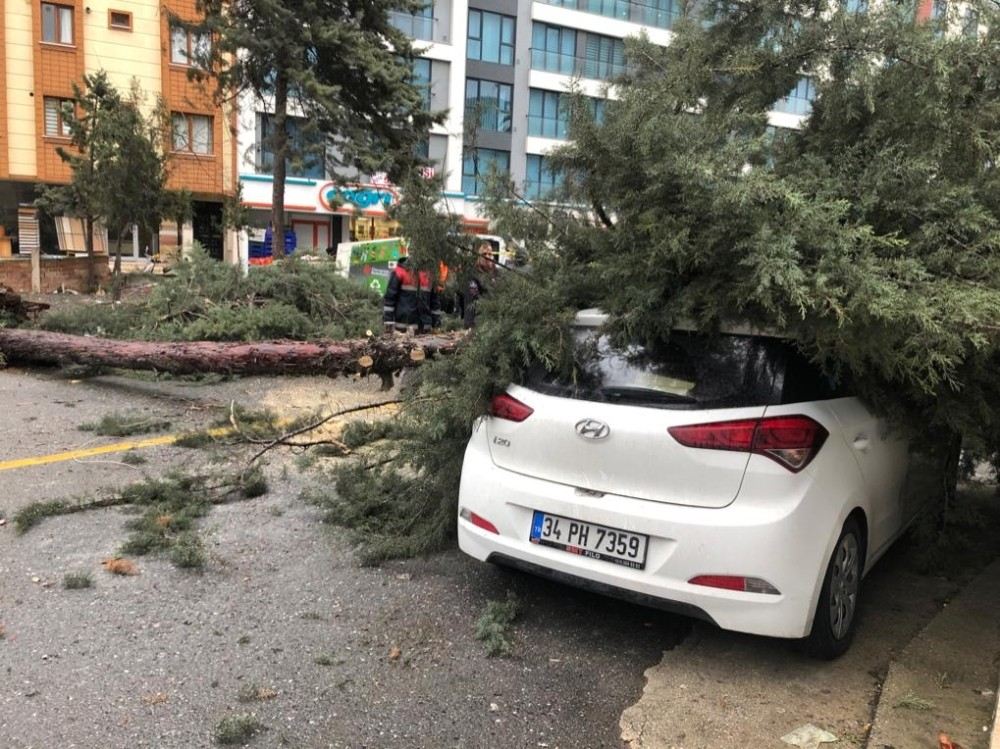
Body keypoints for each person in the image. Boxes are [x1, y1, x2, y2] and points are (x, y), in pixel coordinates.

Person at [383, 256, 442, 334]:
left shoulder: (430, 274)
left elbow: (435, 302)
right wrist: (388, 322)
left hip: (425, 329)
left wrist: (436, 324)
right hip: (403, 330)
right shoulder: (400, 272)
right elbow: (390, 298)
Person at [461, 242, 496, 329]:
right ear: (479, 256)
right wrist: (469, 326)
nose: (487, 257)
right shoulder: (473, 275)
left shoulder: (497, 273)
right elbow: (471, 301)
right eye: (484, 254)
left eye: (490, 254)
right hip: (480, 321)